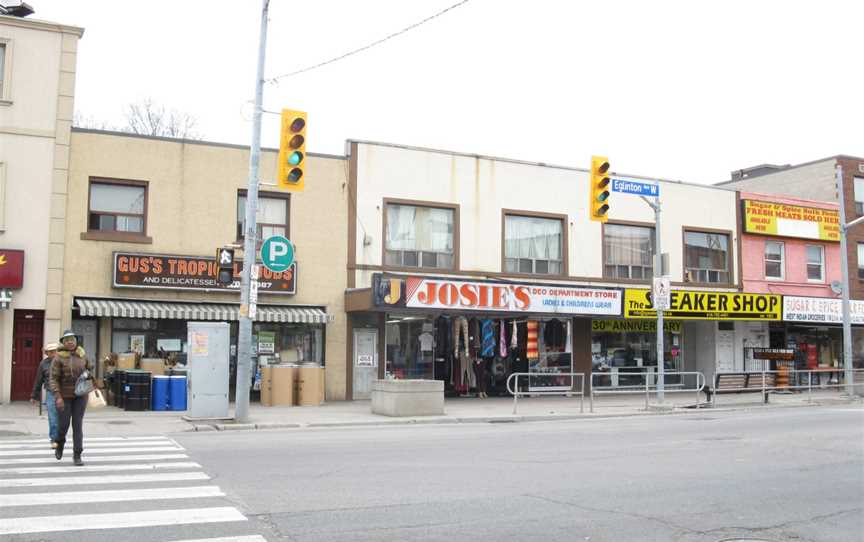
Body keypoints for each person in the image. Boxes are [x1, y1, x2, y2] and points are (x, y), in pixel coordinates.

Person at [48, 330, 93, 466]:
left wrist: (88, 374)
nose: (70, 342)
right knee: (63, 425)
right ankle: (60, 443)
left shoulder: (82, 354)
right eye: (67, 340)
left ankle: (77, 454)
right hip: (64, 396)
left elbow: (89, 368)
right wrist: (58, 397)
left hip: (80, 396)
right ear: (63, 342)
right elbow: (53, 379)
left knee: (77, 425)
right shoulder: (58, 358)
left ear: (76, 341)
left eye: (72, 339)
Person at [30, 343, 59, 448]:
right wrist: (34, 395)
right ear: (46, 353)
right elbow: (38, 380)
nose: (53, 353)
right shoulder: (43, 364)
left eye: (54, 351)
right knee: (52, 417)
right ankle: (54, 439)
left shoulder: (63, 361)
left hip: (63, 393)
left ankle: (60, 437)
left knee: (63, 417)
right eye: (50, 351)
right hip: (50, 392)